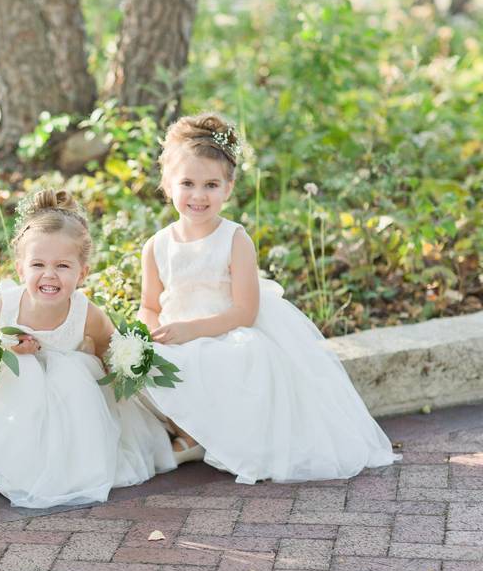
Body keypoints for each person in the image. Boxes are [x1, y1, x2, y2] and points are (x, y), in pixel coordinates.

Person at [137, 113, 399, 484]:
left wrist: (191, 331)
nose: (198, 195)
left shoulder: (234, 239)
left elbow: (245, 311)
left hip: (224, 329)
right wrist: (151, 334)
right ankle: (190, 432)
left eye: (211, 184)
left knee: (243, 357)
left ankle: (212, 437)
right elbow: (150, 305)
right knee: (145, 364)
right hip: (177, 333)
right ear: (168, 185)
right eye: (188, 184)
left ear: (228, 188)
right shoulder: (157, 245)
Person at [0, 189, 174, 508]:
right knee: (26, 376)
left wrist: (120, 384)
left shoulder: (87, 313)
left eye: (63, 266)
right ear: (21, 269)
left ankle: (75, 463)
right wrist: (9, 346)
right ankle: (23, 462)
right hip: (16, 393)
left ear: (82, 273)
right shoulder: (5, 306)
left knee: (76, 383)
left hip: (74, 398)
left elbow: (111, 355)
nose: (49, 275)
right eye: (38, 264)